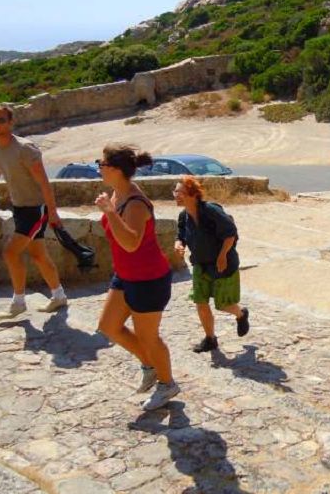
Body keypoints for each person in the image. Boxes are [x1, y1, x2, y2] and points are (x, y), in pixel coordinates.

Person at [94, 145, 179, 411]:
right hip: (126, 274)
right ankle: (150, 365)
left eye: (102, 162)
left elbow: (131, 242)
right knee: (109, 326)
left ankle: (167, 384)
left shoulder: (135, 203)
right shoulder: (117, 194)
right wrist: (110, 207)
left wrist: (109, 212)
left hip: (148, 279)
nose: (99, 167)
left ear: (116, 169)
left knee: (149, 337)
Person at [0, 104, 67, 318]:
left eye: (1, 120)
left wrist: (53, 212)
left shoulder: (25, 148)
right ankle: (59, 296)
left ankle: (18, 301)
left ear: (11, 123)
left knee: (10, 252)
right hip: (19, 207)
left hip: (35, 209)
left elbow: (44, 182)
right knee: (39, 255)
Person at [173, 176, 249, 353]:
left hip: (222, 264)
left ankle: (241, 314)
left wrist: (222, 256)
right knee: (200, 301)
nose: (176, 195)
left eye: (180, 192)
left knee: (223, 304)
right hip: (200, 264)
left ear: (193, 195)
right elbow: (181, 235)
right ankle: (210, 339)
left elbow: (230, 233)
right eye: (175, 191)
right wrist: (179, 244)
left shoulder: (211, 211)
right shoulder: (184, 216)